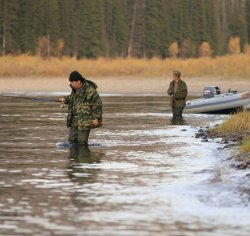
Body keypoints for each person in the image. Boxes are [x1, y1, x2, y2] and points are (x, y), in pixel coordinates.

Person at [59, 71, 102, 145]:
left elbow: (97, 104)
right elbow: (72, 98)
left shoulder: (90, 90)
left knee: (82, 144)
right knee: (72, 143)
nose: (71, 84)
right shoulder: (75, 90)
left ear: (78, 81)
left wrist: (96, 118)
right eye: (71, 82)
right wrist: (65, 99)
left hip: (84, 123)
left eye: (73, 82)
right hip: (74, 122)